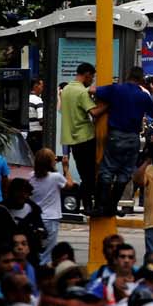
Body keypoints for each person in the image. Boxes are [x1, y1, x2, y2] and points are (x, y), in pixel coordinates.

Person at [92, 66, 153, 216]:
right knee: (125, 172)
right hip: (133, 138)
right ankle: (112, 206)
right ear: (141, 79)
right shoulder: (143, 95)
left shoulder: (116, 89)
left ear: (128, 75)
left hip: (116, 135)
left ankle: (102, 206)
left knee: (107, 169)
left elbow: (93, 91)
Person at [59, 62, 98, 213]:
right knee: (90, 175)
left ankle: (86, 204)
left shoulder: (66, 89)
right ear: (87, 74)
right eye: (92, 77)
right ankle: (88, 205)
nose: (92, 80)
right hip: (86, 136)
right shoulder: (82, 92)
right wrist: (108, 105)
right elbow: (94, 112)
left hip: (73, 140)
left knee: (84, 174)